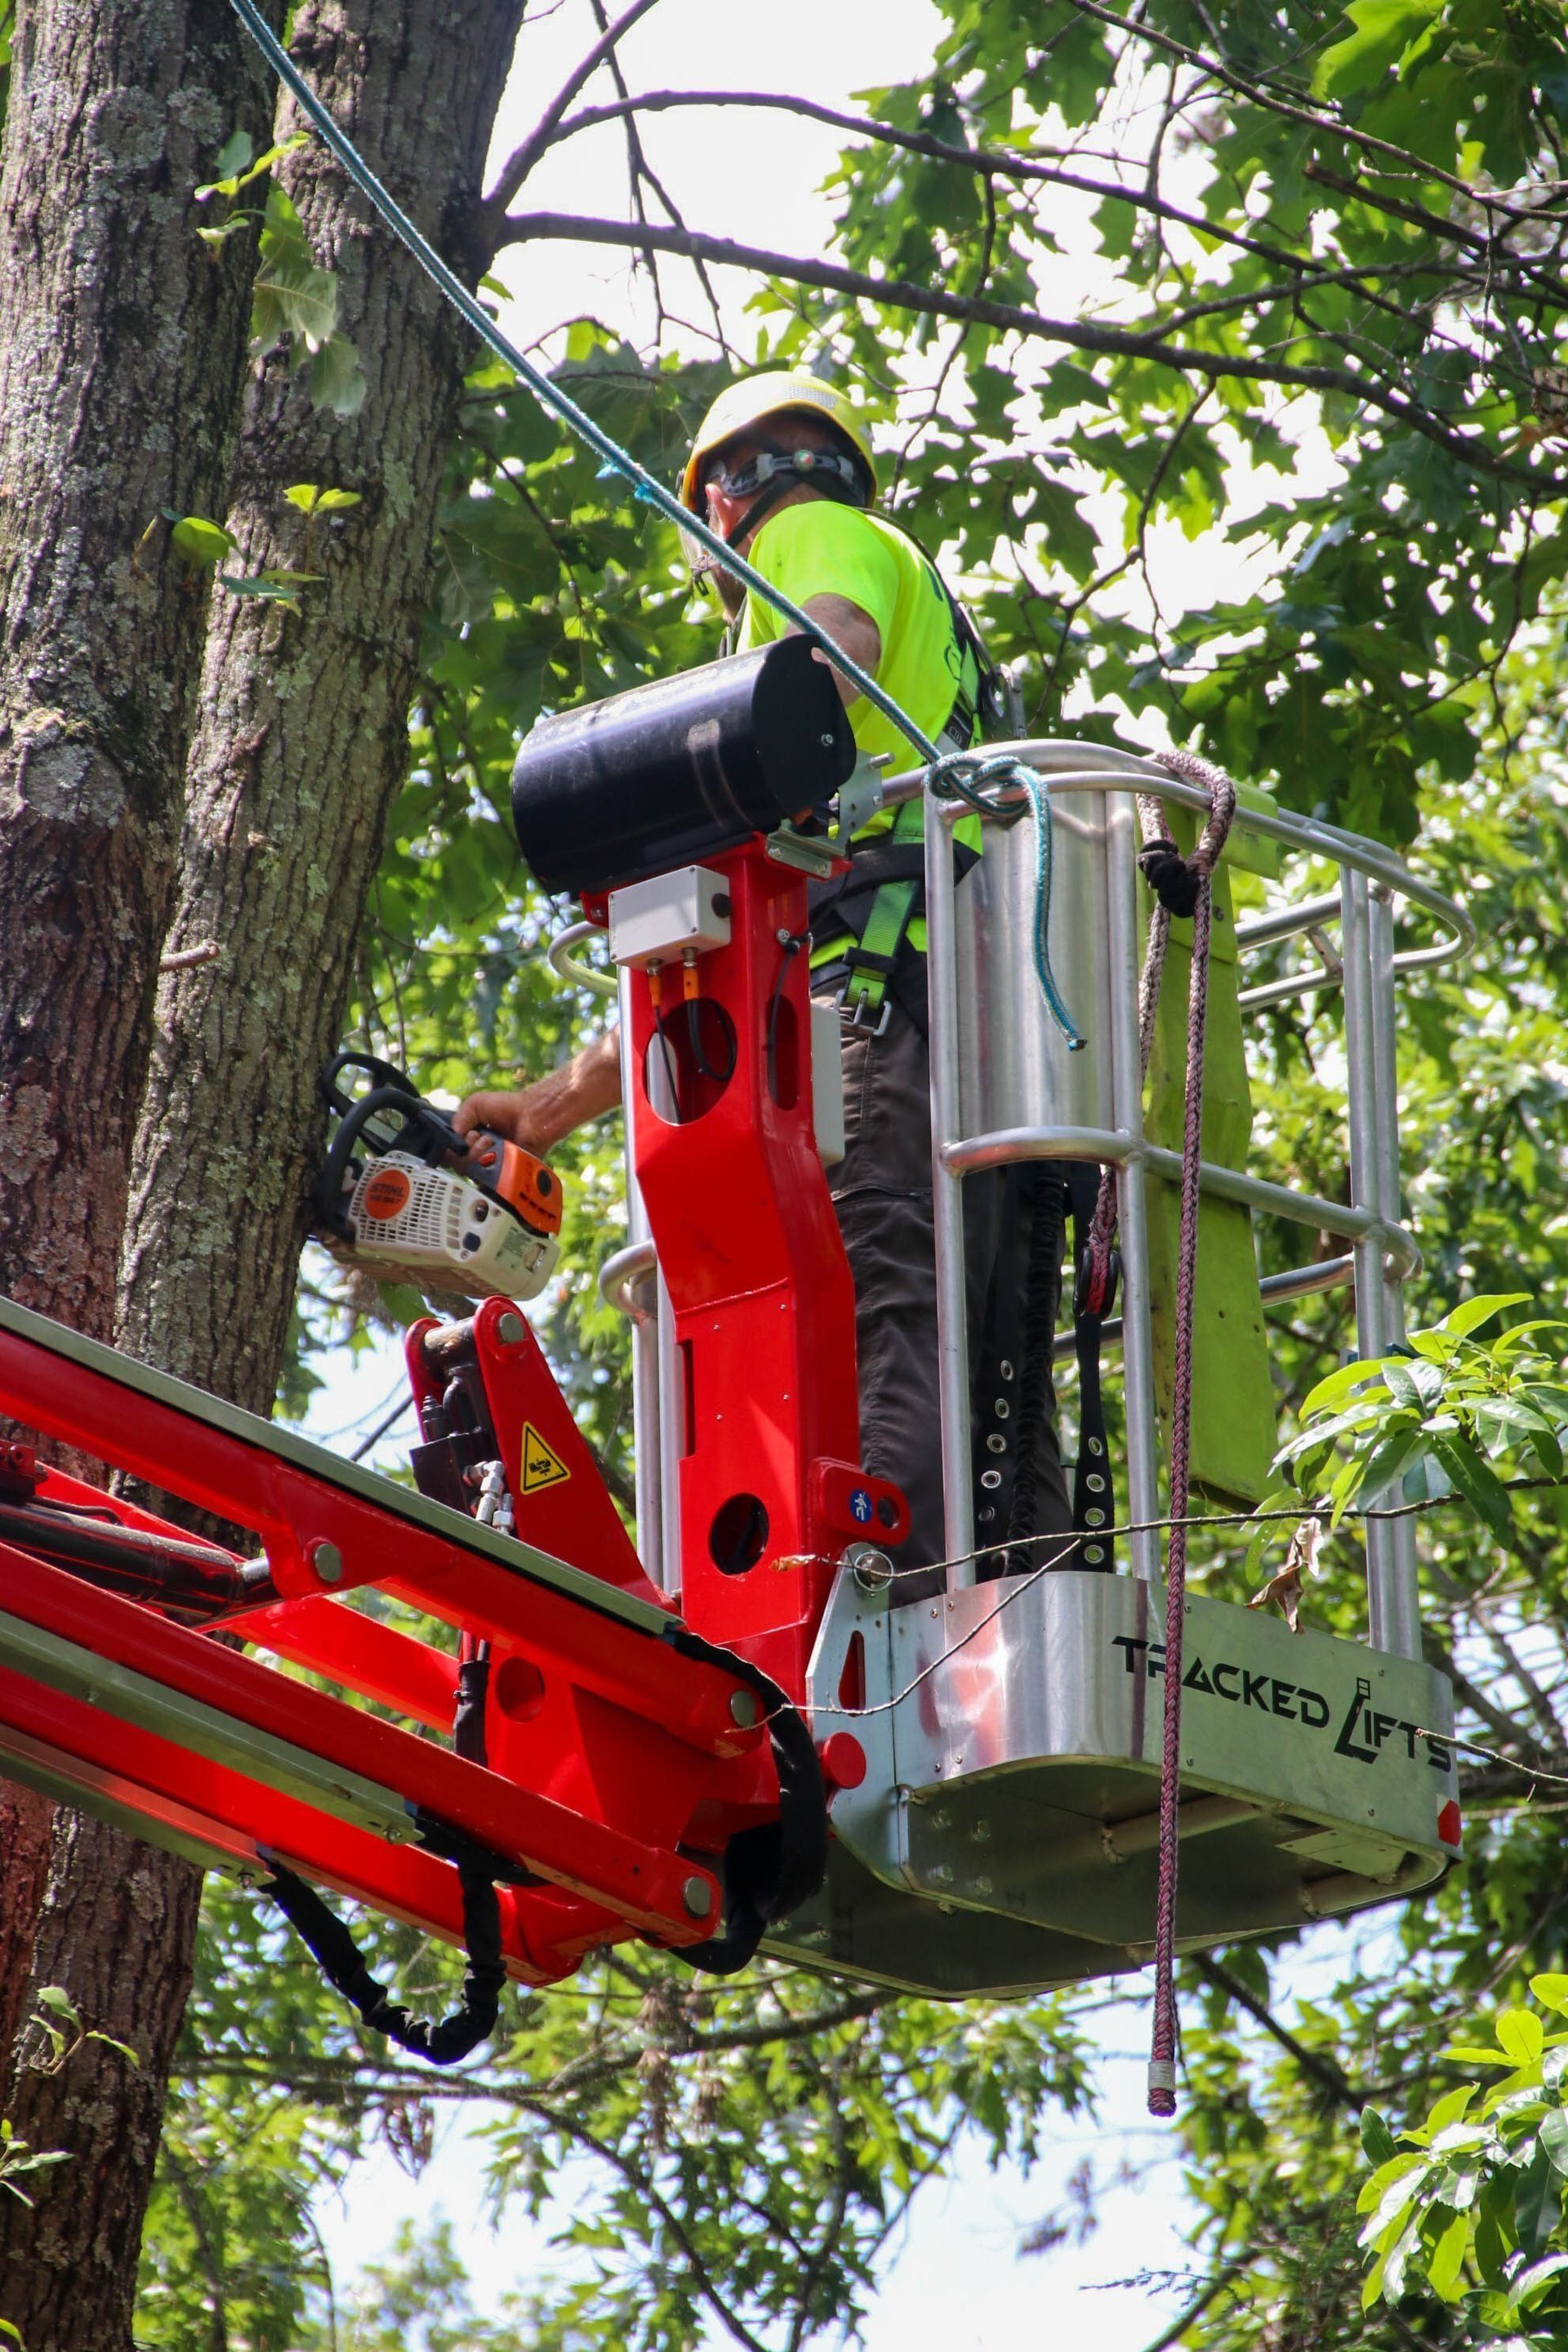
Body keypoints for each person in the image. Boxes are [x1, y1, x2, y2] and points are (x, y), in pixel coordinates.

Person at [455, 372, 1071, 1592]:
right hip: (972, 1010)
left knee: (878, 1279)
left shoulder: (803, 536)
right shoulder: (936, 619)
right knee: (990, 1334)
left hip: (878, 985)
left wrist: (704, 772)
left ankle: (875, 1603)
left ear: (725, 497)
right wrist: (546, 1109)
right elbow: (719, 943)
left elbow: (826, 651)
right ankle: (1021, 1604)